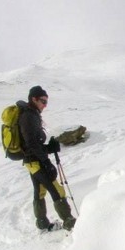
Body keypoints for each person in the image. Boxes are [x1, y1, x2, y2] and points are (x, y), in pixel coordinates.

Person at [17, 86, 76, 231]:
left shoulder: (31, 114)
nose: (45, 105)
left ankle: (42, 223)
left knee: (40, 191)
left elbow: (33, 144)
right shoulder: (28, 116)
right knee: (58, 191)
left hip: (32, 161)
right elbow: (31, 143)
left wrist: (49, 148)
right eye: (43, 101)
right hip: (36, 161)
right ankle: (70, 223)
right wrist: (46, 161)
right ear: (34, 99)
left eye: (46, 102)